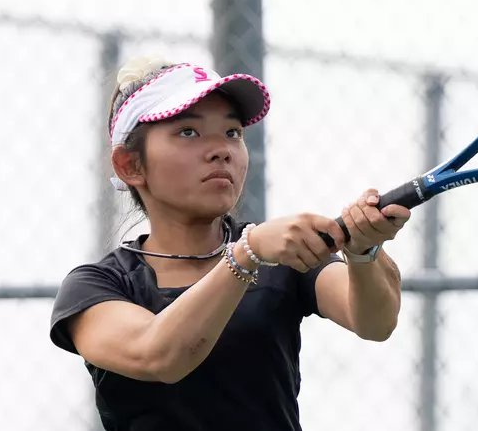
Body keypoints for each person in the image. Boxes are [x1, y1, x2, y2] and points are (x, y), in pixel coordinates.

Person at [49, 57, 410, 430]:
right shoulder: (96, 287)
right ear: (129, 166)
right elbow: (158, 355)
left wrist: (364, 252)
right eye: (188, 132)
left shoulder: (275, 256)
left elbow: (375, 322)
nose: (221, 149)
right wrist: (246, 254)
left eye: (232, 133)